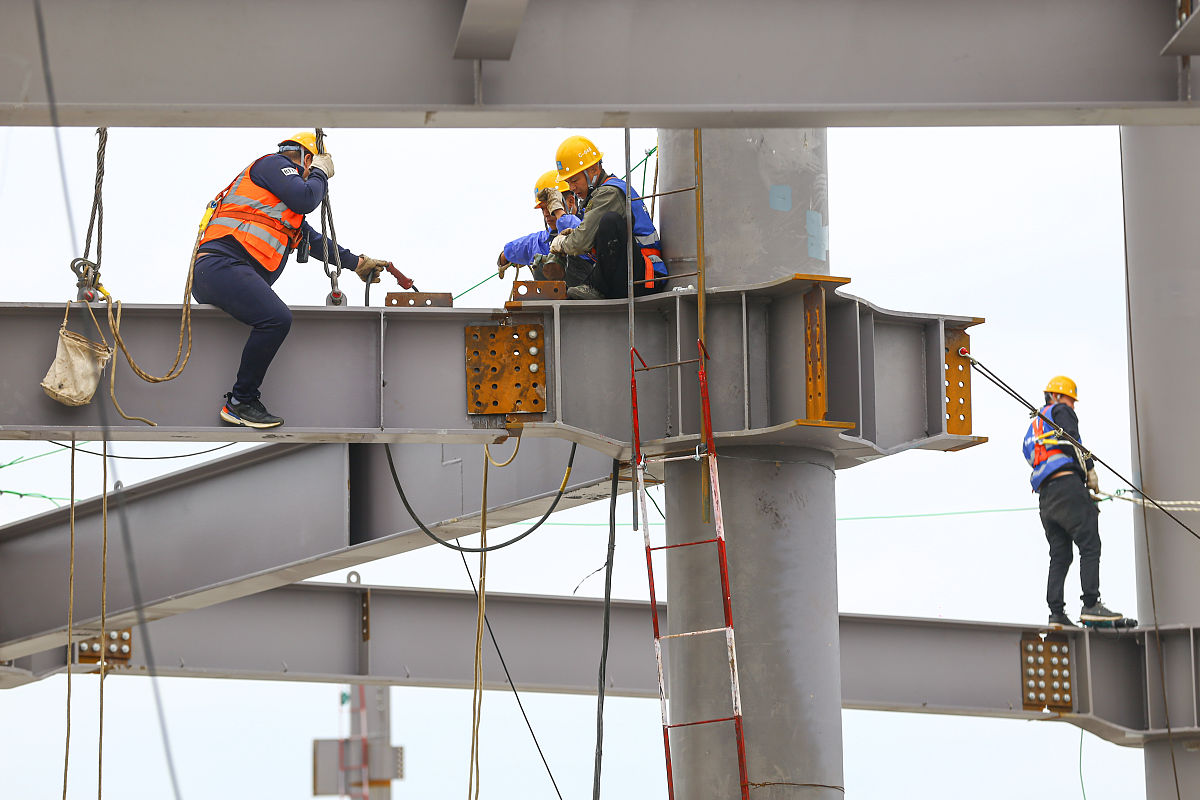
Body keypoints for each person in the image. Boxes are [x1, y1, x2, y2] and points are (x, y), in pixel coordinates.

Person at [192, 132, 401, 429]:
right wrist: (320, 173)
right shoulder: (271, 165)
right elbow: (306, 198)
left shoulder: (278, 210)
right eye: (311, 166)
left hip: (223, 272)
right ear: (306, 159)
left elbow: (315, 242)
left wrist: (357, 264)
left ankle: (242, 400)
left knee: (270, 317)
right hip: (220, 265)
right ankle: (241, 401)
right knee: (276, 318)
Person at [1022, 375, 1124, 627]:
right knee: (1089, 544)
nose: (1072, 405)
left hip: (1046, 498)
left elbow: (1036, 456)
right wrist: (1089, 470)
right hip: (1067, 486)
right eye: (1070, 399)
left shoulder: (1035, 426)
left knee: (1060, 555)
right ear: (1056, 396)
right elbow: (1074, 441)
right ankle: (1091, 604)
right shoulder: (1059, 411)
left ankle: (1056, 612)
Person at [546, 135, 667, 300]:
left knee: (610, 221)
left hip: (647, 277)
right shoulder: (595, 196)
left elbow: (580, 242)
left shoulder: (609, 193)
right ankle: (590, 286)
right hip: (630, 274)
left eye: (574, 180)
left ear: (594, 169)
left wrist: (563, 243)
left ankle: (595, 287)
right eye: (568, 182)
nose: (572, 188)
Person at [496, 170, 582, 283]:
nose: (546, 213)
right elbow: (528, 244)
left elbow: (578, 235)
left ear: (570, 201)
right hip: (563, 296)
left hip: (591, 288)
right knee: (541, 261)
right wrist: (505, 255)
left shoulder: (589, 221)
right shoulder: (548, 239)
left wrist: (559, 214)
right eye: (543, 208)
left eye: (550, 206)